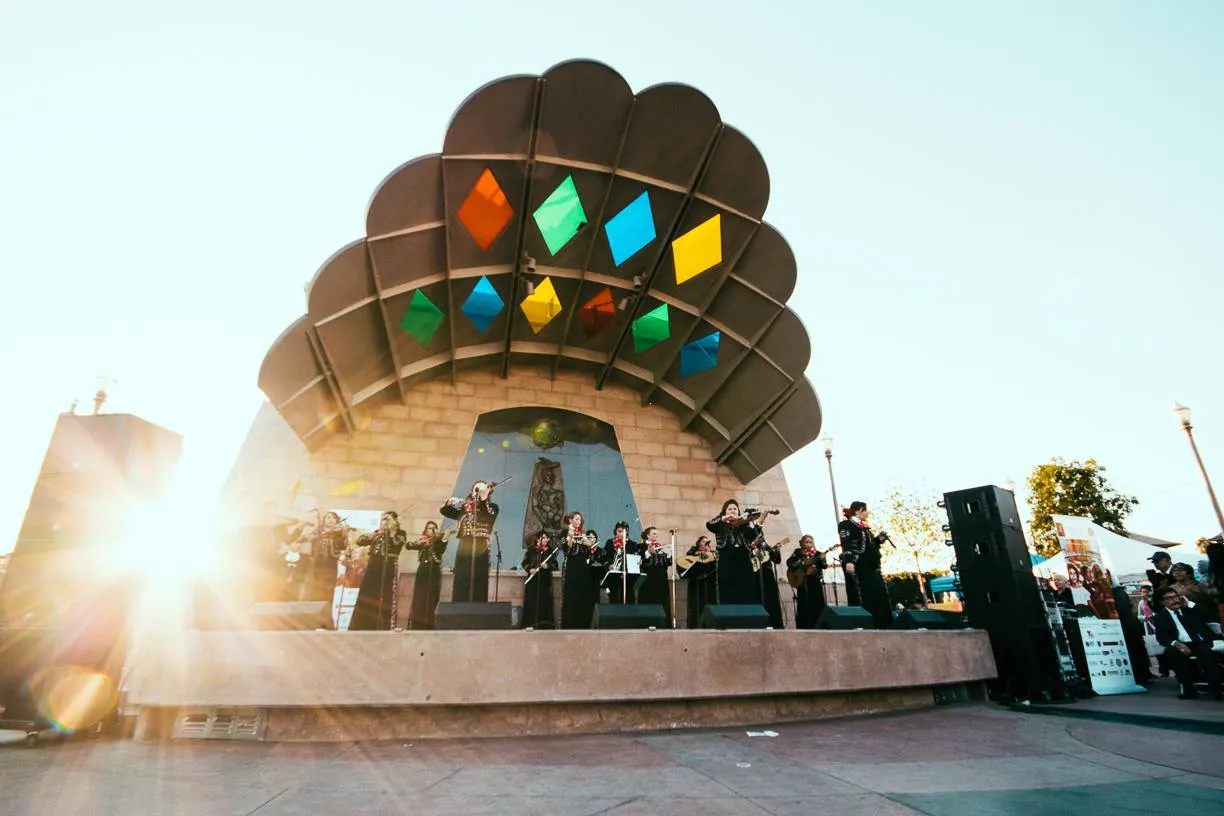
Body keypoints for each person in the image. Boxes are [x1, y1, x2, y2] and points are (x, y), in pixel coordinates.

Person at [1152, 586, 1223, 700]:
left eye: (1175, 597)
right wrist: (1176, 643)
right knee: (1172, 651)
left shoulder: (1190, 610)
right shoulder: (1160, 618)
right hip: (1181, 644)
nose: (1174, 600)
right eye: (1169, 598)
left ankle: (1216, 689)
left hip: (1201, 642)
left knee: (1206, 650)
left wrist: (1190, 603)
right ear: (1163, 602)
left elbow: (1212, 616)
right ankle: (1188, 690)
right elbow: (1161, 637)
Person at [441, 480, 500, 603]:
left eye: (481, 489)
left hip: (481, 545)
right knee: (462, 577)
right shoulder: (464, 508)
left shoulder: (492, 507)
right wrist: (451, 502)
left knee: (479, 579)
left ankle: (478, 610)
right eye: (476, 489)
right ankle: (459, 609)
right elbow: (445, 511)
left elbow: (488, 514)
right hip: (465, 544)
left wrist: (484, 499)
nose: (478, 492)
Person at [349, 511, 408, 631]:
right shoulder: (377, 533)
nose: (385, 522)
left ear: (396, 521)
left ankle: (382, 626)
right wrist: (373, 534)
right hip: (372, 569)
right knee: (366, 596)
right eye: (383, 519)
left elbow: (397, 545)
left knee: (384, 597)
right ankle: (362, 625)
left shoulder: (401, 533)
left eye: (388, 519)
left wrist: (392, 532)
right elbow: (360, 541)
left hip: (387, 569)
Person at [838, 501, 892, 629]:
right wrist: (849, 561)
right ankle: (866, 623)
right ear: (857, 511)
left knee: (878, 592)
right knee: (864, 593)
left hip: (872, 566)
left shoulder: (864, 527)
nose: (867, 513)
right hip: (860, 564)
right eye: (865, 510)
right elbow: (846, 543)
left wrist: (878, 540)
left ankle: (882, 623)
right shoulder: (846, 525)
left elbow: (869, 545)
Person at [706, 499, 765, 605]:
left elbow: (752, 535)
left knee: (746, 591)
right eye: (729, 509)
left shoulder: (744, 525)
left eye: (735, 509)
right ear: (725, 512)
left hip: (744, 563)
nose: (733, 511)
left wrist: (762, 518)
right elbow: (710, 525)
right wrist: (724, 518)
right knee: (728, 592)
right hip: (726, 563)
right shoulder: (720, 524)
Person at [404, 521, 449, 630]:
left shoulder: (438, 541)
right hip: (422, 571)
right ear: (426, 530)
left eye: (434, 528)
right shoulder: (423, 541)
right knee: (420, 596)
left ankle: (430, 624)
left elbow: (441, 549)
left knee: (431, 596)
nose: (432, 530)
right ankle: (417, 624)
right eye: (429, 528)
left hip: (434, 571)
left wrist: (445, 536)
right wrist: (420, 541)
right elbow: (408, 546)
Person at [558, 512, 598, 629]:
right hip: (571, 565)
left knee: (582, 594)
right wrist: (570, 535)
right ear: (570, 520)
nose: (578, 522)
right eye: (576, 519)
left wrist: (587, 542)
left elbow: (590, 546)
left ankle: (582, 624)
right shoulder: (565, 532)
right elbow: (567, 548)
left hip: (582, 566)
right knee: (570, 594)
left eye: (580, 520)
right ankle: (569, 624)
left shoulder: (582, 534)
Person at [787, 535, 827, 630]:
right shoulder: (798, 552)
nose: (809, 544)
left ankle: (818, 625)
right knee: (804, 604)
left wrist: (822, 560)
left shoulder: (818, 554)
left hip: (815, 582)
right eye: (806, 542)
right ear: (802, 543)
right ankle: (804, 625)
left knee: (817, 603)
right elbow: (789, 562)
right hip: (802, 582)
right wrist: (802, 563)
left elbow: (824, 566)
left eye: (810, 542)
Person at [520, 530, 557, 629]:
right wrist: (530, 569)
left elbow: (555, 564)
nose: (543, 540)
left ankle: (544, 625)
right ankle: (530, 624)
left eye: (545, 538)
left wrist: (547, 565)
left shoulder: (550, 551)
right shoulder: (531, 550)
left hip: (545, 581)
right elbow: (524, 563)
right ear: (538, 539)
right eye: (542, 538)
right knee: (532, 601)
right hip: (533, 580)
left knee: (544, 602)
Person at [637, 527, 673, 627]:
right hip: (648, 580)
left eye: (656, 534)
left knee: (662, 603)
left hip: (661, 580)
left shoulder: (660, 546)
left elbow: (668, 563)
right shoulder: (641, 546)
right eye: (653, 534)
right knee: (649, 603)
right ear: (647, 535)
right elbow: (639, 561)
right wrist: (648, 553)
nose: (656, 535)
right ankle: (647, 624)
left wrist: (669, 554)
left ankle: (663, 625)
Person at [679, 535, 717, 629]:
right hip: (696, 583)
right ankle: (695, 623)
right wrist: (700, 554)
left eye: (707, 542)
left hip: (708, 583)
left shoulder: (712, 554)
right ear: (699, 543)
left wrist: (711, 555)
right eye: (703, 541)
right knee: (696, 604)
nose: (705, 543)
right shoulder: (693, 551)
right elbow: (688, 559)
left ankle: (709, 623)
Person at [603, 521, 640, 604]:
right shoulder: (609, 542)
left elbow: (635, 559)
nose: (621, 534)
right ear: (615, 531)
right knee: (614, 598)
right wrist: (609, 565)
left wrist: (637, 562)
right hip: (614, 576)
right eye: (619, 531)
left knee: (629, 598)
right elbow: (603, 557)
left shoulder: (632, 544)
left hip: (628, 577)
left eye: (624, 531)